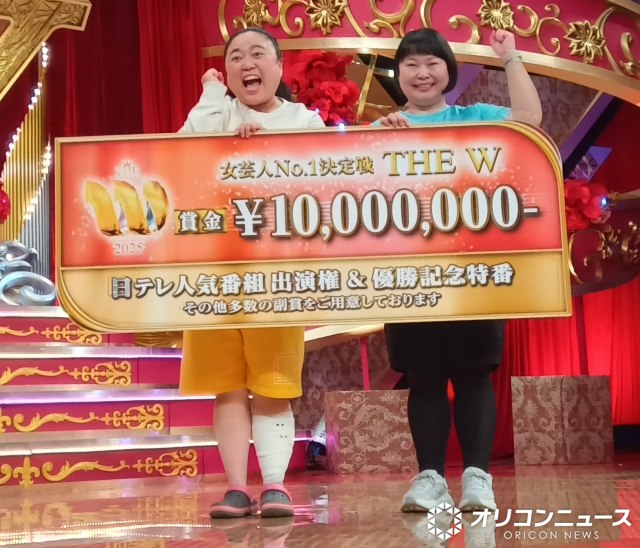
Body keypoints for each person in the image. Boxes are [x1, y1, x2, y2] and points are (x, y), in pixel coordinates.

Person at [376, 28, 542, 513]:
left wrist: (510, 58)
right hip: (408, 272)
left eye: (432, 62)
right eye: (411, 64)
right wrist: (376, 141)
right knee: (423, 376)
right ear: (398, 74)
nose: (422, 73)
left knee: (473, 374)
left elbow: (530, 120)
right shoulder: (383, 127)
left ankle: (477, 479)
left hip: (475, 269)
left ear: (448, 71)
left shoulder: (476, 119)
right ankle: (430, 479)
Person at [178, 27, 325, 519]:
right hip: (214, 274)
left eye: (258, 54)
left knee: (273, 382)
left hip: (277, 274)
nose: (247, 64)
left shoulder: (303, 121)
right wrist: (210, 97)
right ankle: (237, 489)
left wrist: (269, 150)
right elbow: (179, 156)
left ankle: (276, 486)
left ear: (279, 67)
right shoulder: (216, 113)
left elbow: (327, 177)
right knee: (227, 384)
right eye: (235, 57)